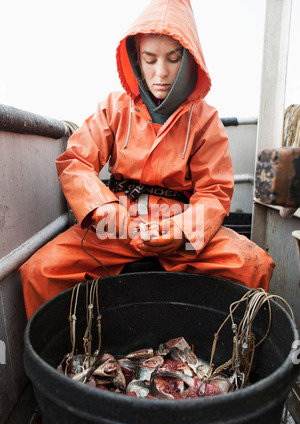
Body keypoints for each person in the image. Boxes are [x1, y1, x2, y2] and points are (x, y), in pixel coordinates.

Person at [19, 0, 275, 320]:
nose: (161, 73)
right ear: (136, 60)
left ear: (190, 60)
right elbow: (76, 163)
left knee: (253, 266)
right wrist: (107, 211)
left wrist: (181, 230)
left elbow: (214, 193)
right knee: (40, 271)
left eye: (173, 58)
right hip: (115, 227)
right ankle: (62, 360)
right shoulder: (113, 107)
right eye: (150, 59)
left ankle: (225, 358)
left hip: (180, 227)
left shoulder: (206, 119)